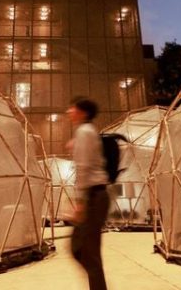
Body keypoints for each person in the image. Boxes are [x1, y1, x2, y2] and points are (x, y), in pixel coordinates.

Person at [66, 96, 109, 290]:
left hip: (93, 196)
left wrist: (80, 204)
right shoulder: (87, 131)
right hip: (95, 195)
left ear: (82, 112)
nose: (69, 111)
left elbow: (83, 168)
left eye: (72, 108)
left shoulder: (84, 131)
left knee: (86, 251)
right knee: (80, 249)